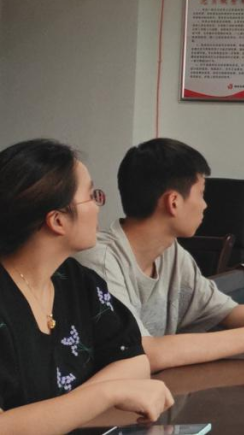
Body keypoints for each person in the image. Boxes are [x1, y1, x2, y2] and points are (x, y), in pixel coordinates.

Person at [77, 138, 244, 372]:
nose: (205, 205)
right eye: (201, 194)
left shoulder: (171, 252)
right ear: (173, 202)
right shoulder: (99, 260)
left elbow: (224, 309)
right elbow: (142, 353)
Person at [0, 139, 174, 433]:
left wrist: (65, 411)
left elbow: (134, 360)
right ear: (57, 220)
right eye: (92, 196)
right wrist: (106, 394)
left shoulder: (75, 280)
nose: (98, 206)